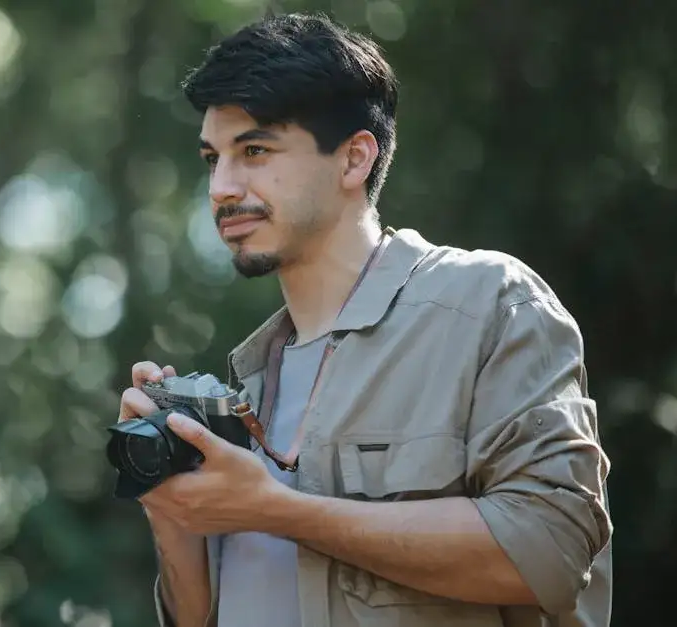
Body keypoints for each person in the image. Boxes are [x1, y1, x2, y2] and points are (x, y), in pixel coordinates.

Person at [116, 12, 613, 627]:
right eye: (212, 158)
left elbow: (551, 551)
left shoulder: (487, 304)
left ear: (354, 160)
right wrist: (172, 506)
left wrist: (275, 508)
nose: (220, 185)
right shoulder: (249, 385)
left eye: (254, 150)